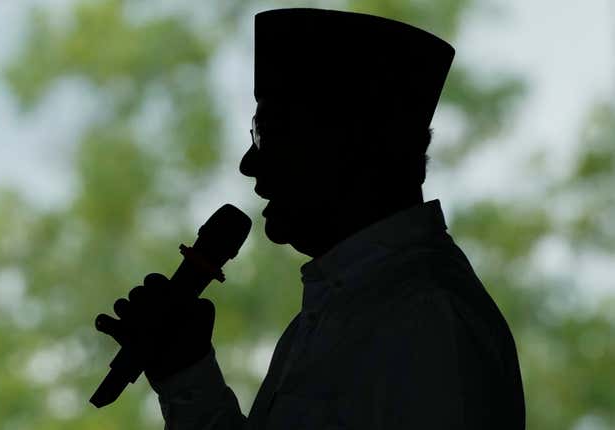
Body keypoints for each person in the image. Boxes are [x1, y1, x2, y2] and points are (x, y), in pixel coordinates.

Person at [95, 7, 526, 429]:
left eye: (271, 134)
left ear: (351, 148)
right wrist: (184, 373)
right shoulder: (341, 308)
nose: (249, 163)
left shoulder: (428, 318)